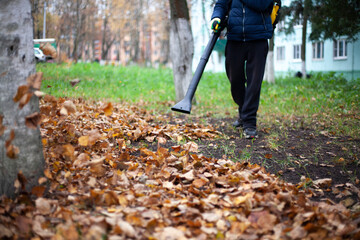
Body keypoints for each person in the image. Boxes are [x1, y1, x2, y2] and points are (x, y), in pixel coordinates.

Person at [210, 0, 274, 139]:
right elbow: (221, 4)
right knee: (235, 80)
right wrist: (216, 17)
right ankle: (243, 111)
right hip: (235, 38)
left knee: (254, 83)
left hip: (258, 38)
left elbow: (263, 4)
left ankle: (249, 122)